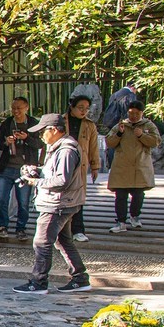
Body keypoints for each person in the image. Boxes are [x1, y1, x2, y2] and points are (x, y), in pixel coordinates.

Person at [13, 114, 91, 295]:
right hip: (61, 201)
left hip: (58, 203)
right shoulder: (59, 147)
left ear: (54, 130)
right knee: (63, 241)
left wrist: (35, 182)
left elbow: (62, 180)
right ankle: (80, 278)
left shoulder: (66, 150)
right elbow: (54, 172)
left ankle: (38, 282)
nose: (41, 136)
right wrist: (37, 171)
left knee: (42, 241)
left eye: (42, 132)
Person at [106, 100, 161, 233]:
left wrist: (142, 135)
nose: (133, 116)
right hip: (122, 166)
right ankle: (121, 222)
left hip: (140, 165)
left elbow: (156, 141)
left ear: (142, 113)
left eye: (137, 113)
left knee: (138, 194)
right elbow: (109, 142)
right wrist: (119, 133)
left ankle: (134, 216)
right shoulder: (121, 125)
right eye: (131, 113)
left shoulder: (148, 125)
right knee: (120, 196)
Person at [0, 96, 41, 239]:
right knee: (1, 198)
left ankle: (21, 228)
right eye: (13, 108)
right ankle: (2, 226)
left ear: (26, 107)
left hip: (25, 169)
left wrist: (26, 138)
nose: (16, 111)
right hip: (7, 167)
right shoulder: (7, 123)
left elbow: (39, 144)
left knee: (23, 201)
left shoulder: (33, 124)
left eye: (19, 108)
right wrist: (6, 142)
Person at [64, 95, 101, 242]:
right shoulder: (61, 120)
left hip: (80, 165)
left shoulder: (89, 125)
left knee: (78, 197)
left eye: (86, 109)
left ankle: (78, 229)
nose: (84, 111)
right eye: (80, 108)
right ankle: (62, 230)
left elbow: (93, 147)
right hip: (63, 163)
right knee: (62, 197)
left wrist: (95, 166)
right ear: (72, 106)